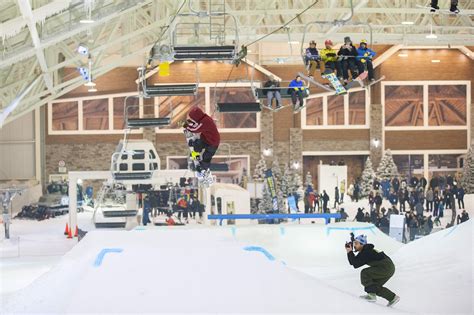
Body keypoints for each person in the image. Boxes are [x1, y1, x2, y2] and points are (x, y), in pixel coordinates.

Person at [345, 234, 400, 306]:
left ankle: (371, 296)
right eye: (354, 243)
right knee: (374, 286)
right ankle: (392, 298)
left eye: (356, 243)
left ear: (362, 244)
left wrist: (350, 251)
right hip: (389, 268)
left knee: (365, 273)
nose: (354, 245)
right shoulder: (364, 250)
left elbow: (355, 264)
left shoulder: (366, 251)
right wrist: (349, 251)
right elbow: (354, 262)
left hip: (386, 267)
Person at [183, 107, 220, 178]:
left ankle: (203, 170)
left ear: (196, 116)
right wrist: (189, 123)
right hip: (206, 139)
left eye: (193, 118)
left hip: (213, 143)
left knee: (206, 157)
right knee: (196, 146)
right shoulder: (203, 118)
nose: (193, 119)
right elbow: (197, 124)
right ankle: (196, 157)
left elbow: (195, 129)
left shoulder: (205, 121)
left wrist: (186, 126)